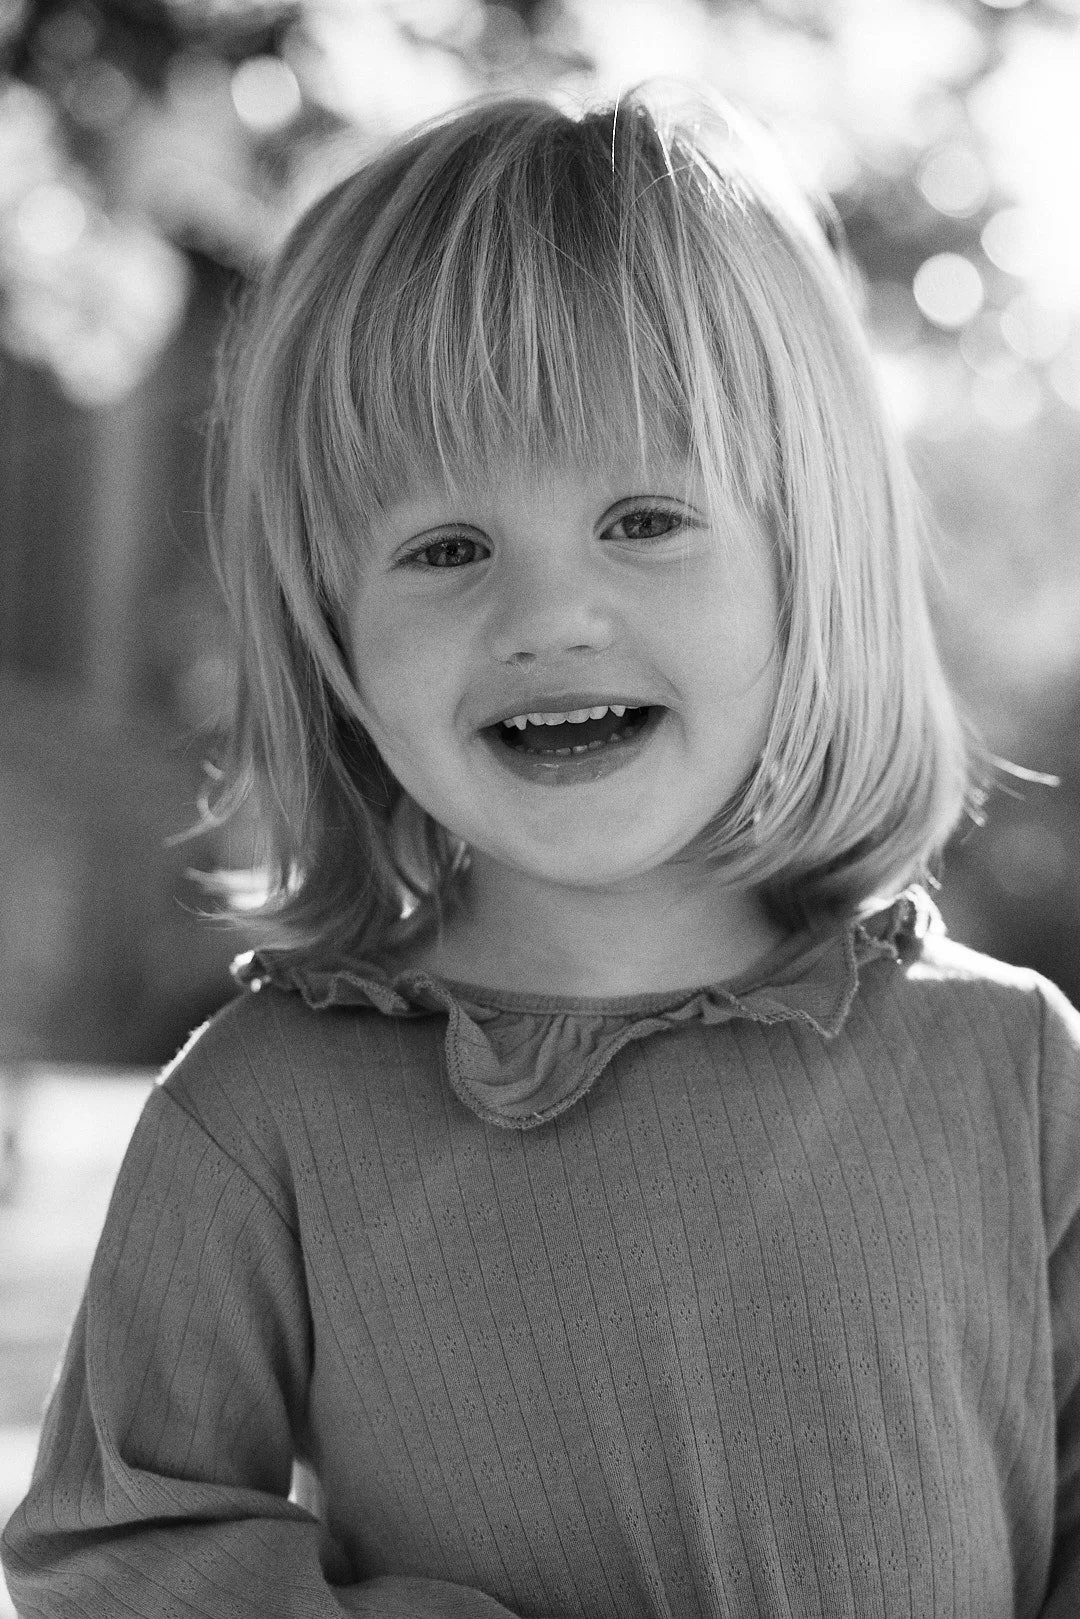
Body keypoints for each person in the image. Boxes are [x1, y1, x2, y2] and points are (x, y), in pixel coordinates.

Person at [3, 85, 1079, 1619]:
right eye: (446, 547)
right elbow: (113, 1545)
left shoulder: (1016, 1076)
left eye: (644, 518)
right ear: (334, 640)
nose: (547, 614)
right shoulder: (264, 1112)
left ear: (807, 560)